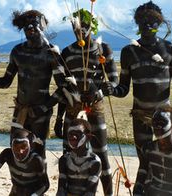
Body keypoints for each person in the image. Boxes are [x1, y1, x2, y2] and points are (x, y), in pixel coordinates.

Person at [100, 1, 172, 194]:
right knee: (145, 161)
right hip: (140, 116)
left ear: (160, 24)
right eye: (143, 21)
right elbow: (123, 89)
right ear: (137, 24)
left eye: (152, 22)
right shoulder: (129, 52)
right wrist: (112, 89)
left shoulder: (170, 49)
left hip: (165, 116)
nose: (147, 25)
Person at [0, 10, 71, 156]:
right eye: (26, 26)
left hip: (40, 115)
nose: (30, 28)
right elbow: (5, 82)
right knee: (17, 151)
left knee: (37, 155)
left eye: (34, 25)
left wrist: (43, 108)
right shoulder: (17, 52)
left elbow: (63, 87)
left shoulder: (51, 53)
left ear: (42, 26)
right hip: (20, 111)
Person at [54, 8, 118, 196]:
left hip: (95, 109)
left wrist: (100, 92)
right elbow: (64, 88)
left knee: (102, 155)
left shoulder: (103, 49)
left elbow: (113, 80)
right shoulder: (67, 52)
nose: (80, 31)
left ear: (93, 26)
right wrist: (59, 118)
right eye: (76, 27)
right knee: (69, 157)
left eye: (85, 27)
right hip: (72, 110)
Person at [0, 128, 49, 196]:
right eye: (16, 147)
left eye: (24, 146)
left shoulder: (36, 160)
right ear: (11, 145)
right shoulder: (7, 154)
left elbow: (45, 185)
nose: (20, 151)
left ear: (31, 146)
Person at [142, 105, 172, 196]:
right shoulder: (148, 149)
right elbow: (141, 178)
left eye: (162, 123)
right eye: (155, 123)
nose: (157, 127)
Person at [56, 119, 101, 196]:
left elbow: (90, 192)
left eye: (78, 133)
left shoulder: (94, 161)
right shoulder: (64, 160)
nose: (73, 137)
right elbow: (61, 189)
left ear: (88, 137)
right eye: (70, 134)